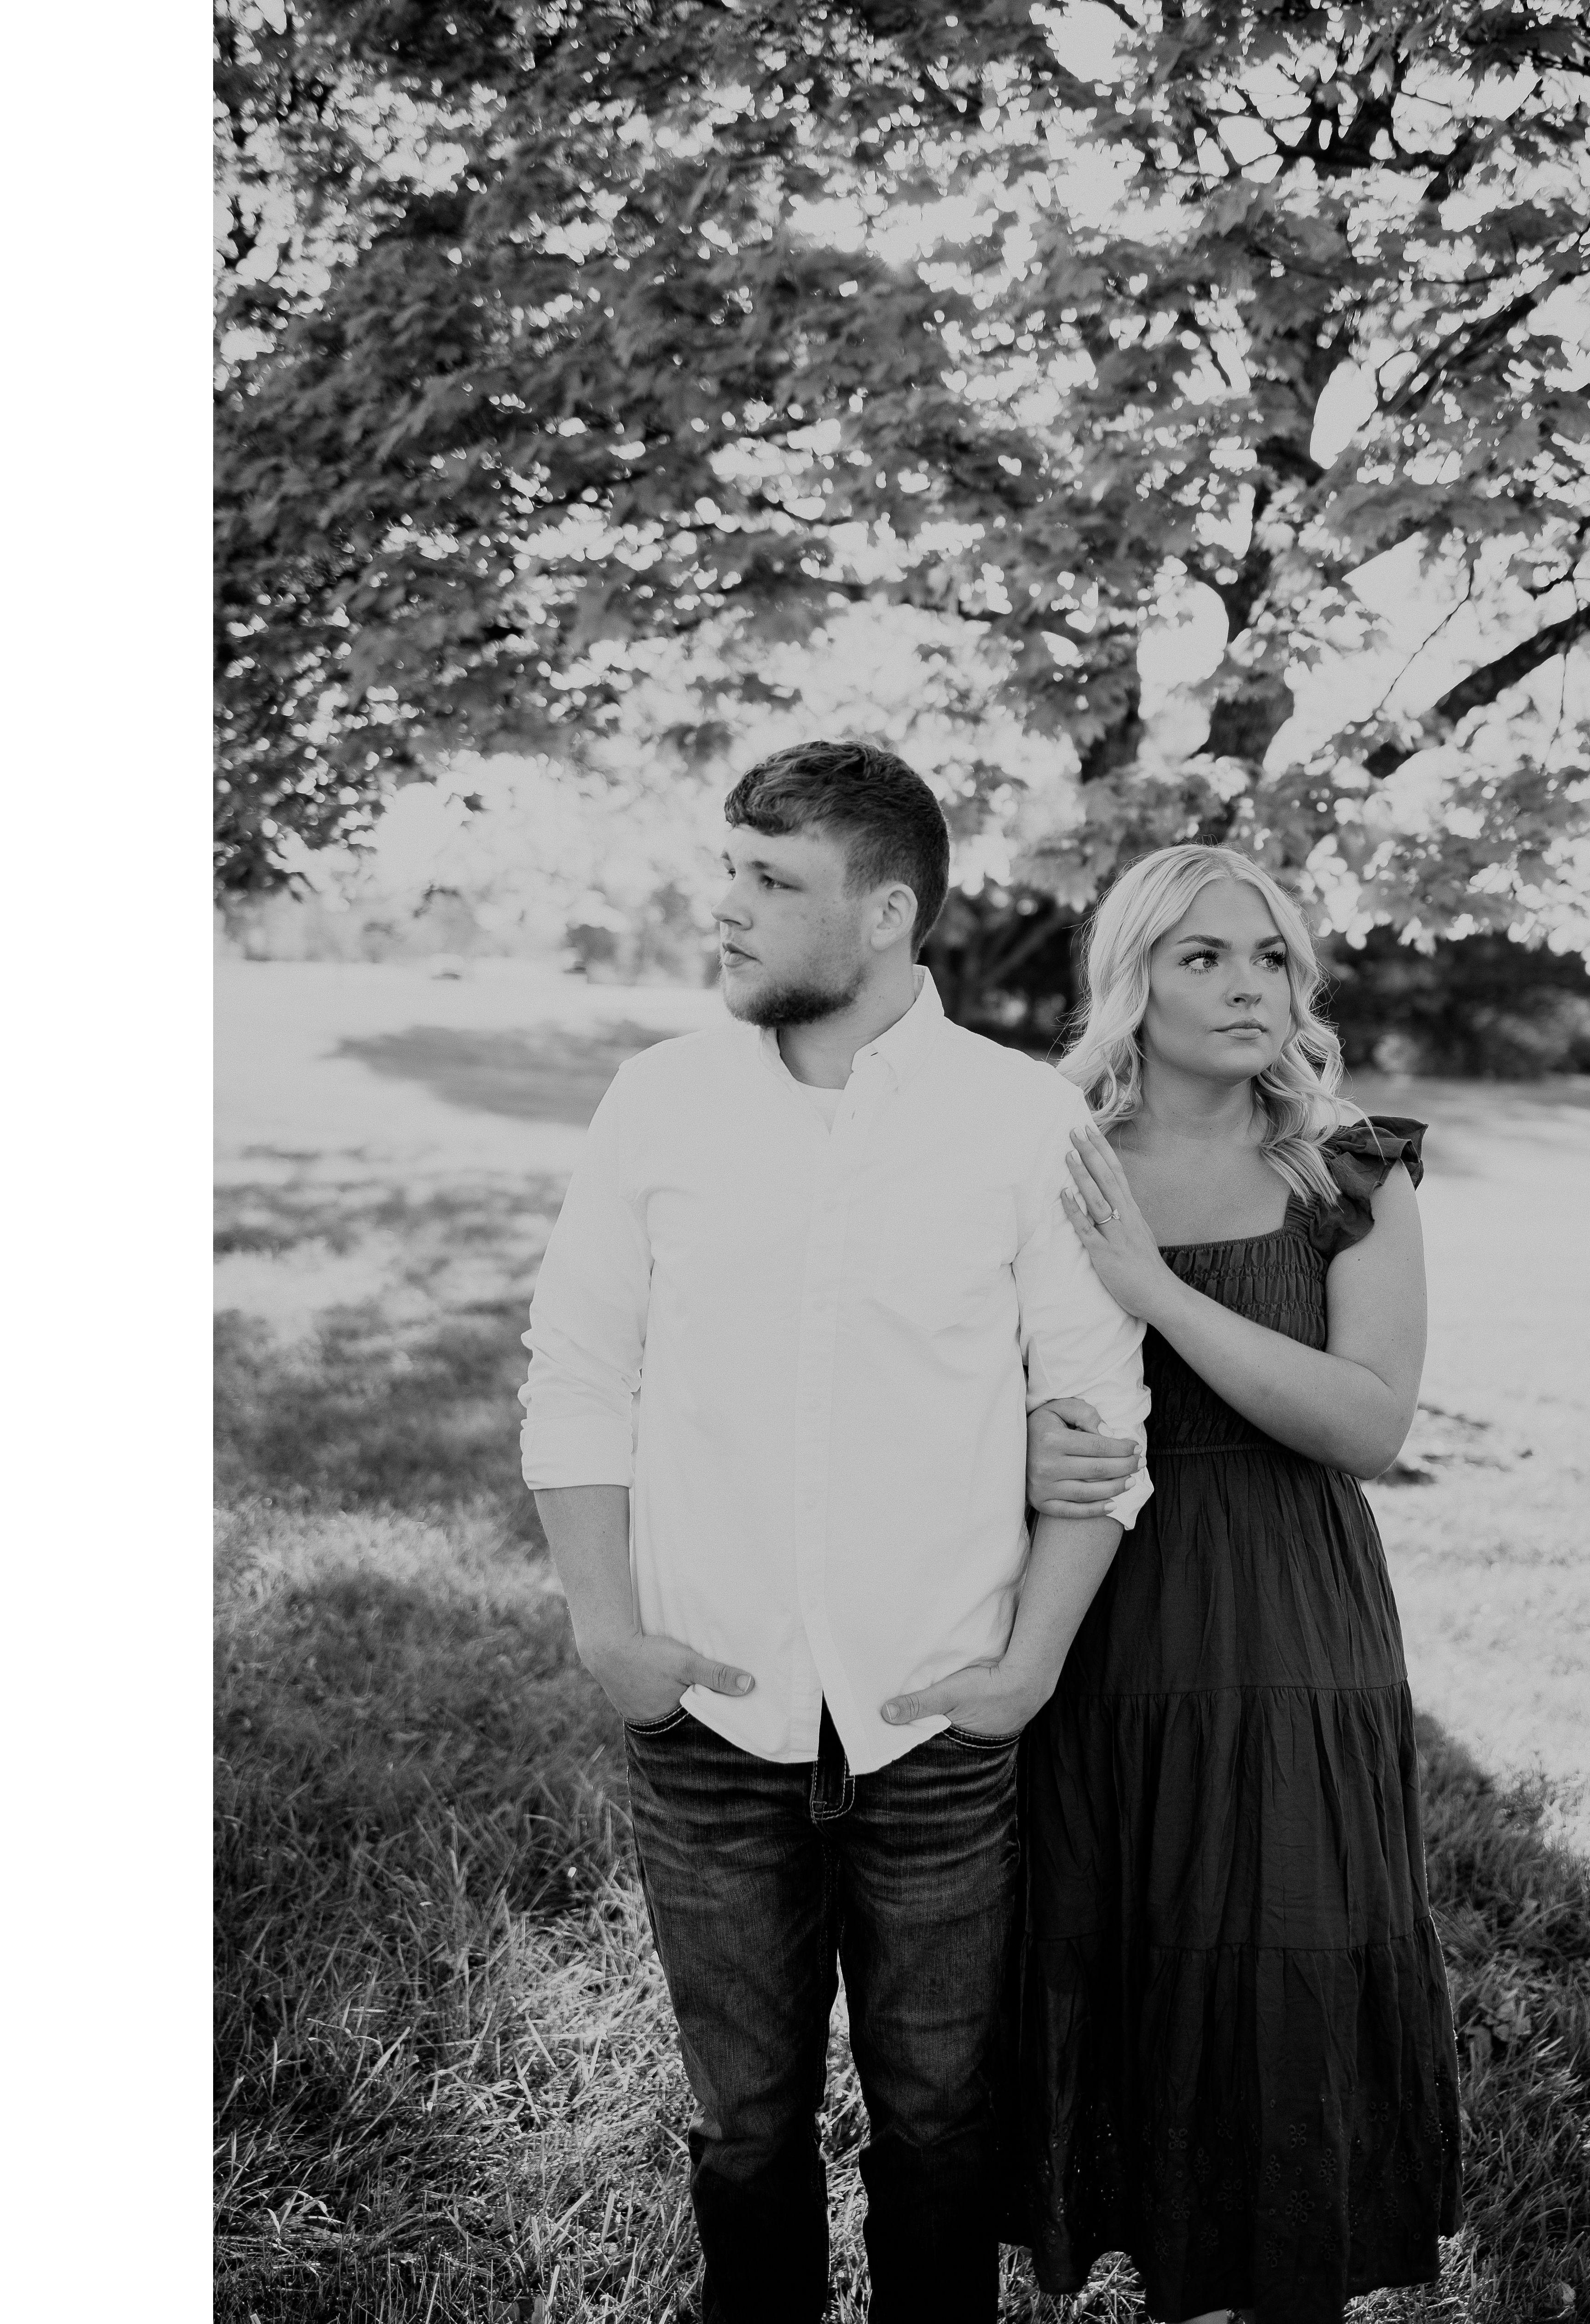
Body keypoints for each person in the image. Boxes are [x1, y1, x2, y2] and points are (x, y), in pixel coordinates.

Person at [517, 739, 1151, 2324]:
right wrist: (608, 1631)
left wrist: (1026, 1669)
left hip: (935, 1729)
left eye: (771, 879)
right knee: (746, 2132)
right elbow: (578, 1374)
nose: (726, 906)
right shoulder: (660, 1103)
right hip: (708, 1719)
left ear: (885, 914)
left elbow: (1099, 1426)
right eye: (729, 868)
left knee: (939, 2128)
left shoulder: (1020, 1122)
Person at [1013, 842, 1465, 2323]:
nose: (1247, 986)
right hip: (1098, 1612)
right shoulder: (1050, 1161)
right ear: (1130, 981)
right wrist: (1018, 1446)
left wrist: (1152, 1292)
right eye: (1201, 956)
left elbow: (1368, 1424)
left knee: (1285, 1955)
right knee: (1131, 1950)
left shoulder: (1347, 1171)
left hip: (1289, 1616)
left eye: (1269, 956)